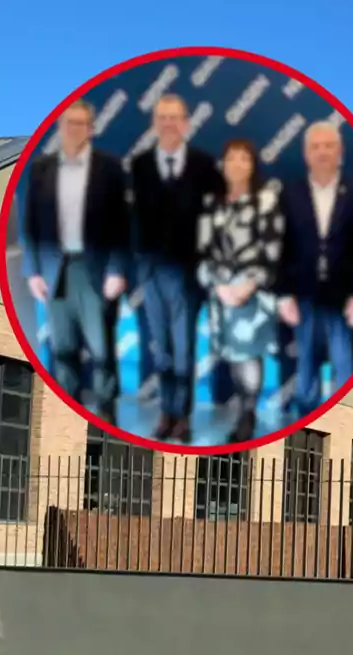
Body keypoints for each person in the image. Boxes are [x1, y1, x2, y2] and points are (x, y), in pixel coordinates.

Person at [21, 98, 130, 424]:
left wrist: (117, 270)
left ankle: (107, 413)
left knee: (101, 348)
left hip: (94, 269)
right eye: (68, 123)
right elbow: (30, 226)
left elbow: (123, 225)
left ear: (91, 129)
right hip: (55, 270)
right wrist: (33, 271)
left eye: (80, 123)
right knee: (62, 346)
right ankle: (66, 415)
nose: (73, 129)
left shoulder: (109, 169)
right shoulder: (41, 169)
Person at [129, 93, 225, 443]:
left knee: (183, 350)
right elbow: (135, 219)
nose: (168, 124)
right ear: (155, 123)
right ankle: (167, 413)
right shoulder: (140, 165)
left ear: (186, 123)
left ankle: (182, 416)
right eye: (162, 117)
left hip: (187, 275)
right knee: (162, 350)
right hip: (151, 272)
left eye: (175, 117)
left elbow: (218, 221)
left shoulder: (204, 166)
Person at [278, 121, 353, 418]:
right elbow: (282, 247)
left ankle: (342, 419)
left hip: (342, 296)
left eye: (329, 146)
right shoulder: (291, 192)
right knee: (305, 360)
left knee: (343, 361)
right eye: (315, 147)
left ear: (341, 152)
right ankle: (305, 423)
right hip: (303, 293)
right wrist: (283, 293)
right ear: (306, 153)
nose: (322, 152)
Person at [195, 139, 284, 443]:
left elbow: (273, 251)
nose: (237, 164)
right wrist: (219, 286)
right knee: (232, 355)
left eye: (243, 159)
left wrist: (247, 286)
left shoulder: (267, 201)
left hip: (253, 293)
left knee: (249, 353)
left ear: (252, 164)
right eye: (231, 158)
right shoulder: (212, 204)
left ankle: (248, 413)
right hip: (221, 293)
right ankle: (237, 411)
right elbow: (203, 249)